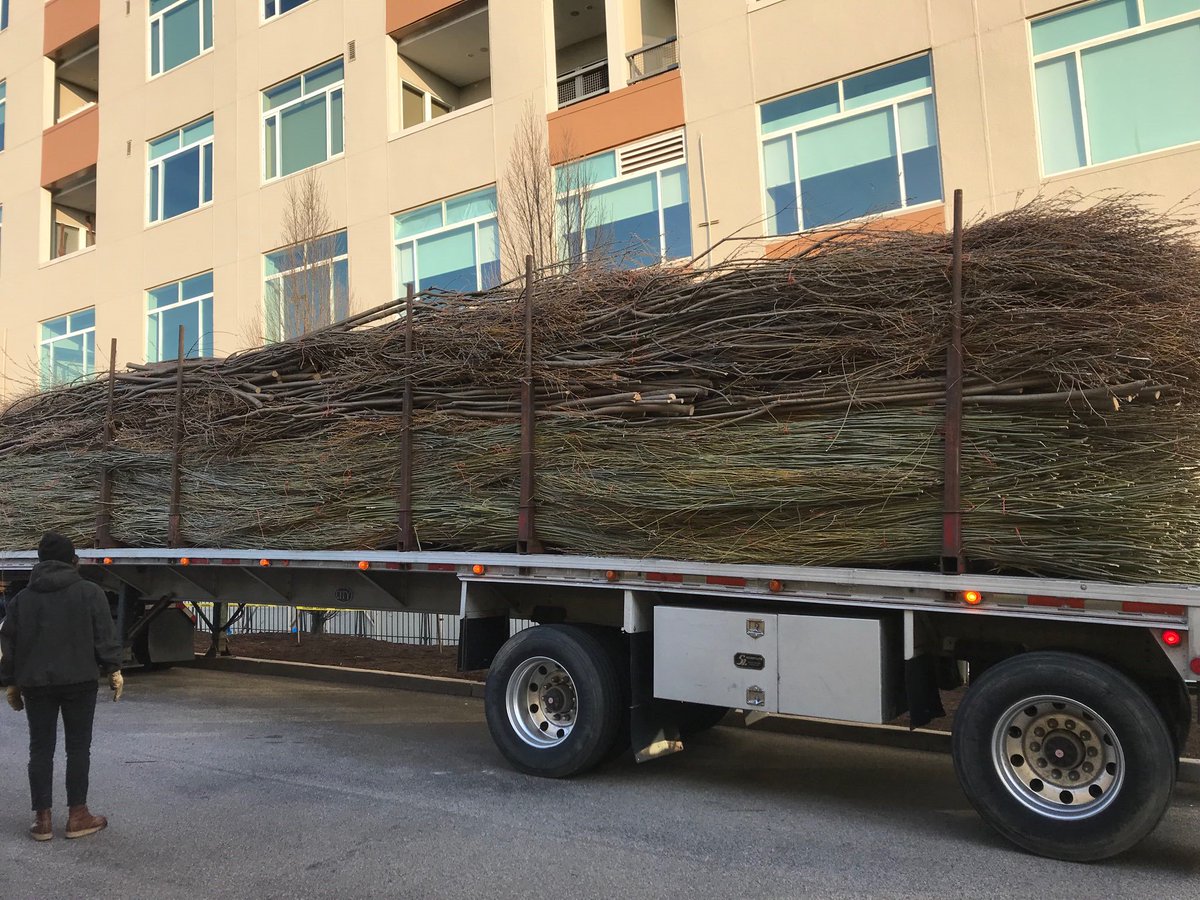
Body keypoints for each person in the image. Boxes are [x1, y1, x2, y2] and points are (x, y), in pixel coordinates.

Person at [0, 532, 124, 842]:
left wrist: (11, 683)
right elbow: (104, 636)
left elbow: (9, 645)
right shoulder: (90, 593)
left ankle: (41, 820)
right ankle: (77, 816)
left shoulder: (21, 600)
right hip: (80, 682)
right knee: (78, 748)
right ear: (73, 560)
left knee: (40, 749)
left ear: (39, 562)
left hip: (36, 684)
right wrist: (114, 669)